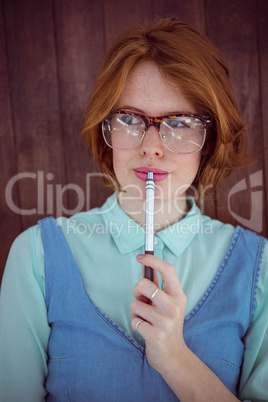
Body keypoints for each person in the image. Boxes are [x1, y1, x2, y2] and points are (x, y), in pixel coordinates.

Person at [0, 17, 267, 402]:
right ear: (105, 130)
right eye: (129, 118)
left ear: (208, 142)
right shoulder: (35, 255)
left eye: (180, 122)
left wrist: (175, 359)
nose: (152, 147)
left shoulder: (260, 270)